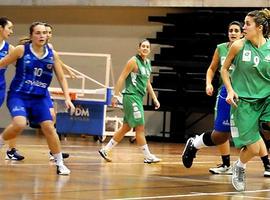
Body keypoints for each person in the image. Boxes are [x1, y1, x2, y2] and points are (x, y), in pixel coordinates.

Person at [181, 20, 270, 177]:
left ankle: (266, 164)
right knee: (221, 135)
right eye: (231, 30)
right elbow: (212, 69)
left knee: (255, 132)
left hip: (249, 96)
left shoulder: (252, 46)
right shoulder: (222, 48)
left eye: (237, 30)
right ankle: (195, 144)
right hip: (227, 94)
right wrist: (209, 83)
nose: (233, 32)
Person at [0, 22, 75, 175]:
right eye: (38, 33)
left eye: (44, 33)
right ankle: (2, 141)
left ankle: (59, 163)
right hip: (19, 95)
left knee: (48, 126)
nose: (42, 36)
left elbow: (61, 77)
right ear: (31, 35)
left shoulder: (52, 55)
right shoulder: (21, 50)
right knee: (19, 123)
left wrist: (67, 97)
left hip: (39, 97)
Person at [220, 8, 270, 191]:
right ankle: (239, 166)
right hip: (245, 102)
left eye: (247, 24)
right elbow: (224, 70)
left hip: (266, 98)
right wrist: (230, 90)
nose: (243, 28)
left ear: (260, 27)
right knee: (255, 149)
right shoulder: (239, 46)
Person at [98, 39, 161, 163]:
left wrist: (154, 98)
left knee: (126, 128)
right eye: (143, 46)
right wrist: (115, 95)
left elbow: (147, 83)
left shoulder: (147, 63)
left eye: (147, 47)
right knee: (140, 128)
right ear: (139, 48)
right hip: (131, 96)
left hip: (137, 97)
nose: (145, 48)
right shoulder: (133, 61)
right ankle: (148, 156)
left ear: (149, 49)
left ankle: (105, 149)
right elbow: (122, 77)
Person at [0, 17, 24, 161]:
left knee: (18, 119)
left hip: (0, 86)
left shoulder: (9, 48)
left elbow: (22, 64)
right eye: (9, 28)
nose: (11, 31)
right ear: (0, 28)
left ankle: (11, 150)